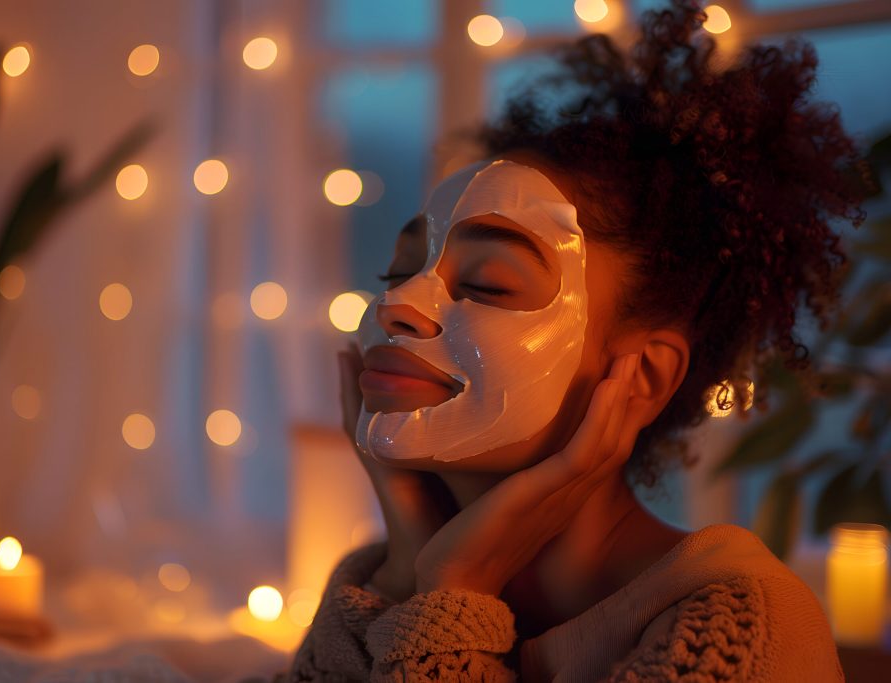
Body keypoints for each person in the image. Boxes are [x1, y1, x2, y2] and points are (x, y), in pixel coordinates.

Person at [284, 1, 866, 680]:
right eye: (399, 269)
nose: (395, 303)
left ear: (642, 377)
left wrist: (452, 599)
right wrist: (407, 570)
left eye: (489, 283)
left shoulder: (746, 623)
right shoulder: (383, 576)